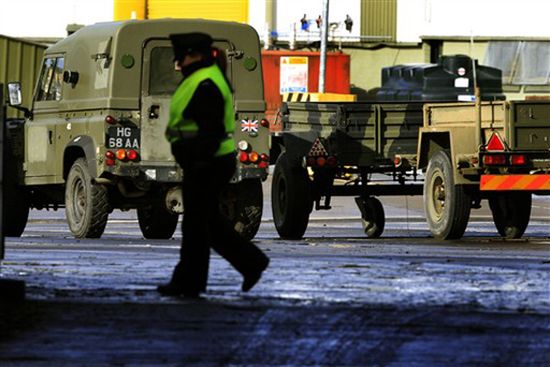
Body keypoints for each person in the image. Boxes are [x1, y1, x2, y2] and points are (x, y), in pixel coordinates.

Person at [159, 32, 270, 298]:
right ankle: (251, 263)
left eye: (181, 56)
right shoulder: (200, 78)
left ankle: (188, 283)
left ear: (195, 55)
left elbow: (209, 130)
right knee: (208, 225)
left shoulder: (206, 82)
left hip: (206, 163)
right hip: (205, 161)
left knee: (195, 227)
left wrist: (196, 162)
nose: (177, 62)